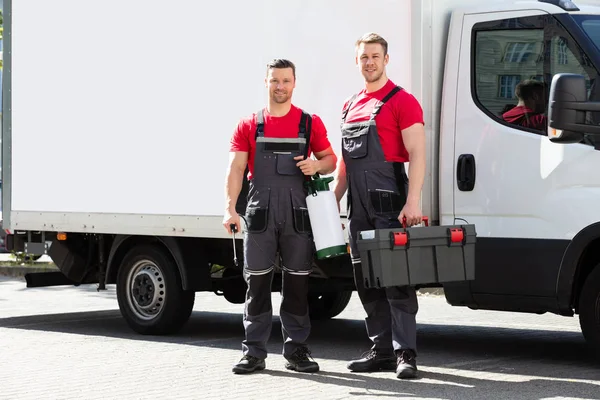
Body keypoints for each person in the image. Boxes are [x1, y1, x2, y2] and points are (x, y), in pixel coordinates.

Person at [223, 59, 337, 375]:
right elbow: (235, 169)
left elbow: (330, 160)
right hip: (259, 214)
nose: (280, 86)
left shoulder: (309, 123)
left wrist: (316, 166)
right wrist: (230, 208)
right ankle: (254, 353)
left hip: (297, 215)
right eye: (275, 80)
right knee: (256, 285)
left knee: (298, 286)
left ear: (294, 83)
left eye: (286, 81)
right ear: (266, 81)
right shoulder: (249, 124)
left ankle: (297, 351)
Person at [332, 33, 426, 379]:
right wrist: (333, 200)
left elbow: (417, 153)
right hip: (358, 208)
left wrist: (412, 200)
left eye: (375, 56)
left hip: (390, 203)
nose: (369, 62)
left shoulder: (403, 101)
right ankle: (381, 351)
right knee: (366, 280)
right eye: (363, 57)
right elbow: (345, 162)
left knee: (396, 281)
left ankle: (406, 355)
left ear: (386, 59)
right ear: (356, 62)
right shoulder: (349, 105)